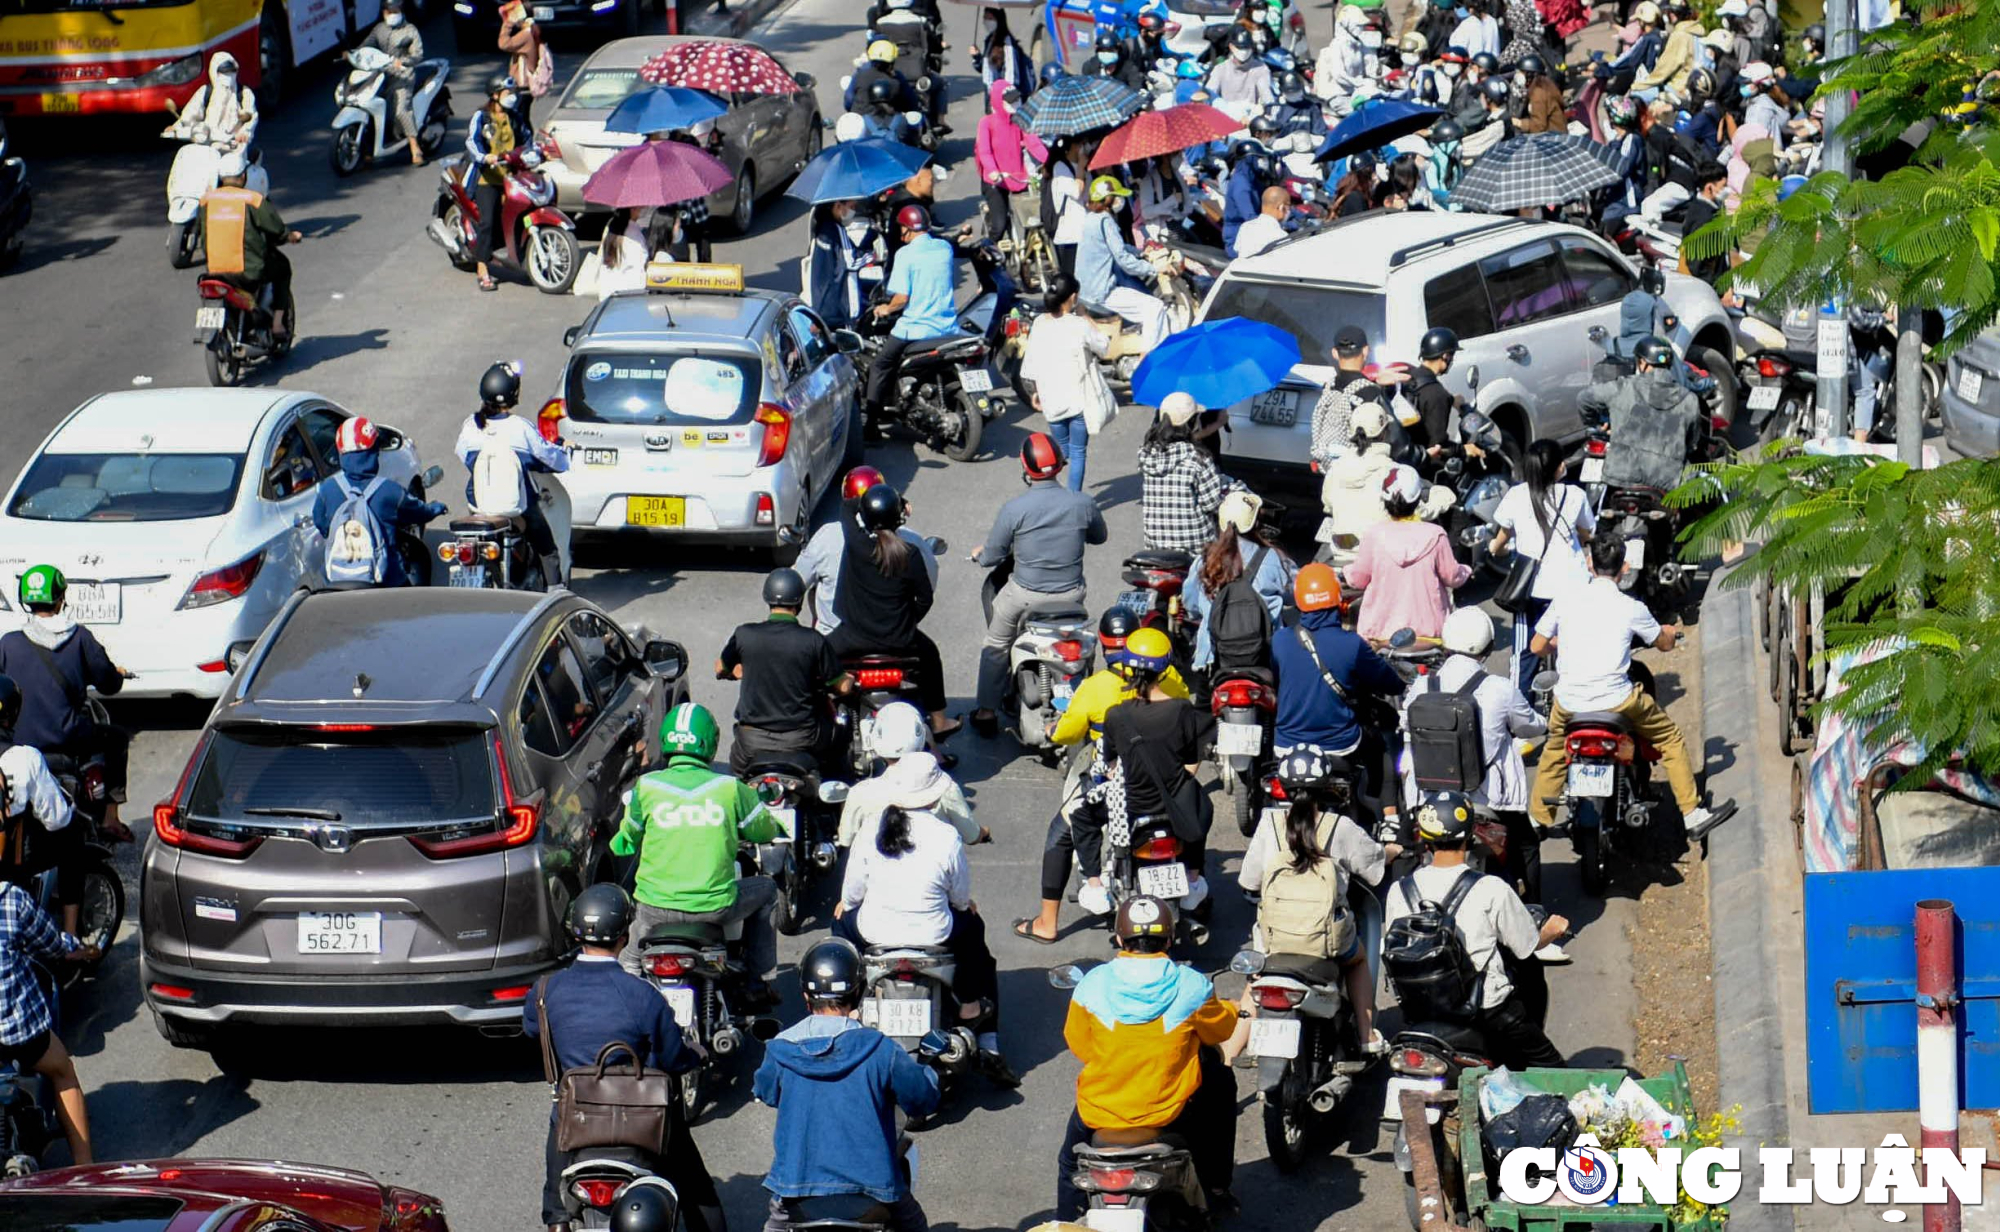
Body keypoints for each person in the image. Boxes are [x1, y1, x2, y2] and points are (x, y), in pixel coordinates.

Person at [526, 885, 718, 1232]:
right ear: (625, 935)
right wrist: (697, 1055)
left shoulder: (545, 990)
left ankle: (557, 1220)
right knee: (697, 1188)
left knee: (557, 1145)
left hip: (576, 1114)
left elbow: (532, 1029)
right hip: (641, 1118)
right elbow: (673, 1057)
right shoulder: (642, 995)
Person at [1054, 896, 1252, 1219]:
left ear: (1119, 939)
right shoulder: (1192, 987)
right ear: (1170, 939)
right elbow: (1220, 1031)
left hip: (1100, 1112)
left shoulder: (1090, 986)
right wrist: (1229, 1008)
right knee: (1219, 1084)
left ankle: (1066, 1222)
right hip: (1167, 1113)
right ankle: (1216, 1189)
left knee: (1068, 1164)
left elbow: (1080, 1044)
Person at [1527, 538, 1736, 840]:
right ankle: (1692, 814)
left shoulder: (1566, 600)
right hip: (1619, 702)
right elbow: (1662, 644)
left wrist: (1565, 641)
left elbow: (1537, 646)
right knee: (1670, 739)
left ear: (1590, 564)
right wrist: (1668, 634)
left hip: (1570, 703)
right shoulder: (1632, 607)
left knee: (1555, 750)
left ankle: (1537, 821)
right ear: (1624, 569)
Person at [1018, 623, 1192, 942]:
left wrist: (1052, 733)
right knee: (1196, 816)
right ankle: (1194, 883)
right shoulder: (1177, 695)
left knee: (1065, 827)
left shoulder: (1105, 697)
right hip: (1168, 782)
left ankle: (1053, 917)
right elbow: (1191, 753)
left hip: (1123, 785)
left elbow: (1075, 736)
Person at [754, 939, 942, 1232]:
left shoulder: (780, 1048)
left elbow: (766, 1092)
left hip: (795, 1186)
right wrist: (930, 1072)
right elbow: (922, 1099)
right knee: (914, 1224)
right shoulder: (880, 1048)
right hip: (874, 1186)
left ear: (806, 996)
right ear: (858, 992)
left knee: (774, 1227)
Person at [611, 703, 784, 1008]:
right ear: (710, 742)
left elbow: (624, 844)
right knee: (768, 890)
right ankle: (759, 980)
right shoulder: (730, 788)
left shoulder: (646, 787)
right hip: (714, 909)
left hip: (654, 910)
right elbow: (765, 831)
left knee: (629, 963)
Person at [837, 792, 1016, 1085]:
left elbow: (851, 894)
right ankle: (979, 1022)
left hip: (875, 933)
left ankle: (849, 1004)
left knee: (840, 932)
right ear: (933, 800)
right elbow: (960, 899)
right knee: (976, 938)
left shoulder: (870, 828)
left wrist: (847, 906)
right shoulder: (945, 835)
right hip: (934, 935)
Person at [1384, 793, 1568, 1070]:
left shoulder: (1399, 890)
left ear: (1424, 836)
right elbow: (1525, 946)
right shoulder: (1490, 888)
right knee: (1549, 1066)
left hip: (1421, 1009)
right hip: (1486, 1008)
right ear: (1471, 834)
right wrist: (1552, 931)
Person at [1241, 747, 1398, 1047]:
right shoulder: (1341, 827)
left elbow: (1248, 881)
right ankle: (1366, 1034)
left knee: (1254, 981)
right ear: (1328, 786)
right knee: (1358, 961)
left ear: (1282, 787)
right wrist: (1393, 851)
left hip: (1272, 940)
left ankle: (1229, 1053)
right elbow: (1374, 864)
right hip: (1327, 941)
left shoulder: (1269, 825)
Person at [1420, 610, 1552, 925]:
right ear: (1488, 647)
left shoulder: (1423, 685)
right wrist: (1542, 719)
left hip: (1430, 798)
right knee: (1527, 845)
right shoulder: (1499, 688)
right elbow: (1530, 726)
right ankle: (1533, 918)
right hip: (1491, 801)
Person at [970, 434, 1108, 735]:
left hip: (1023, 596)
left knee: (995, 646)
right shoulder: (1082, 503)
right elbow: (1099, 536)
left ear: (1025, 466)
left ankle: (985, 711)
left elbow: (993, 554)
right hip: (1071, 597)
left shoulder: (1015, 508)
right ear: (1060, 464)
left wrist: (980, 555)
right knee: (1083, 643)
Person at [0, 567, 131, 866]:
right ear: (61, 599)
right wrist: (118, 674)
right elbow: (109, 684)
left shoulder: (8, 643)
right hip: (69, 740)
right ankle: (110, 818)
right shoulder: (80, 638)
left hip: (18, 743)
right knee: (117, 739)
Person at [1271, 564, 1407, 816]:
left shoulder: (1280, 640)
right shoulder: (1352, 645)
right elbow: (1391, 683)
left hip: (1287, 745)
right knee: (1384, 741)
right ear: (1339, 601)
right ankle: (1390, 819)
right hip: (1340, 744)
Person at [831, 482, 958, 738]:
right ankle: (939, 720)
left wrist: (891, 500)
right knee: (930, 656)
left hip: (851, 639)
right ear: (898, 519)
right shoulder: (909, 554)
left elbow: (847, 505)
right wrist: (906, 623)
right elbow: (924, 599)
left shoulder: (857, 546)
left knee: (815, 659)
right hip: (901, 642)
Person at [718, 569, 852, 776]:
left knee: (738, 778)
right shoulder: (813, 640)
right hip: (801, 740)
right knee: (837, 743)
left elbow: (720, 668)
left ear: (767, 599)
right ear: (798, 603)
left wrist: (736, 671)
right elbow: (841, 686)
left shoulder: (744, 634)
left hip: (751, 741)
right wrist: (850, 680)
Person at [0, 881, 98, 1166]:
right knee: (63, 1072)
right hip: (15, 1031)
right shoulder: (10, 899)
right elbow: (52, 945)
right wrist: (74, 946)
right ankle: (85, 1166)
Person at [1489, 439, 1595, 694]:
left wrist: (1496, 548)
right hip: (1572, 588)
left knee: (1524, 652)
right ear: (1559, 468)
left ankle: (1518, 714)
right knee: (1576, 646)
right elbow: (1588, 531)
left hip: (1532, 591)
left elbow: (1501, 540)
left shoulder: (1516, 495)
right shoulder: (1574, 495)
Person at [455, 361, 570, 587]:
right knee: (548, 551)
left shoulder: (470, 426)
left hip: (479, 506)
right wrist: (565, 449)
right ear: (514, 394)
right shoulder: (521, 428)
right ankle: (557, 595)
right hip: (519, 506)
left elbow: (463, 456)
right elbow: (551, 460)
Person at [797, 467, 939, 635]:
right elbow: (927, 590)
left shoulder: (831, 537)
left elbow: (798, 579)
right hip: (892, 637)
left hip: (839, 636)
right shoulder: (912, 544)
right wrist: (905, 624)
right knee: (930, 657)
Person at [310, 416, 447, 587]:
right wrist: (435, 508)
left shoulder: (328, 489)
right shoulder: (389, 491)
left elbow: (320, 522)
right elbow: (419, 513)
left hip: (336, 581)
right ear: (373, 452)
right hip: (385, 583)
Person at [1346, 464, 1472, 643]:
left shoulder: (1373, 534)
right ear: (1418, 498)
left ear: (1384, 500)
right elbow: (1452, 577)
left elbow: (1357, 579)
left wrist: (1346, 570)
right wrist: (1465, 570)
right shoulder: (1435, 534)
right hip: (1429, 634)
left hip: (1379, 633)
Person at [863, 205, 959, 436]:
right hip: (948, 327)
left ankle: (872, 427)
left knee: (880, 365)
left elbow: (901, 298)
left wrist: (886, 309)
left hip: (916, 329)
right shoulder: (944, 248)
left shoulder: (905, 255)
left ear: (906, 229)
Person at [838, 704, 983, 848]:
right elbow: (971, 835)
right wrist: (985, 833)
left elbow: (846, 839)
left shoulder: (860, 793)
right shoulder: (944, 786)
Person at [1185, 490, 1294, 675]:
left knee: (1203, 704)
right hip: (1264, 655)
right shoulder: (1273, 558)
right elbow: (1292, 594)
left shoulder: (1204, 561)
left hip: (1213, 656)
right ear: (1256, 523)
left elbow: (1191, 604)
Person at [1019, 276, 1111, 491]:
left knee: (1061, 452)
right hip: (1078, 401)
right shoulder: (1079, 325)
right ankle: (1073, 498)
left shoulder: (1040, 323)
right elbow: (1104, 347)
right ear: (1073, 297)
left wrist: (1035, 392)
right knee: (1078, 452)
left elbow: (1031, 361)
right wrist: (1086, 316)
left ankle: (1049, 491)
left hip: (1052, 401)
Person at [200, 150, 300, 338]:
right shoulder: (252, 200)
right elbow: (276, 229)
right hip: (247, 272)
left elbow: (200, 231)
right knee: (283, 268)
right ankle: (278, 325)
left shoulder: (206, 200)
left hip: (213, 270)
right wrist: (290, 236)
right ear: (243, 176)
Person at [1584, 335, 1699, 494]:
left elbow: (1584, 399)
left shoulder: (1622, 387)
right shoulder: (1689, 399)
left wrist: (1597, 423)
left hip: (1619, 476)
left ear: (1642, 363)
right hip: (1668, 483)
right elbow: (1692, 442)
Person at [1076, 175, 1169, 352]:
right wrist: (1154, 268)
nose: (1120, 201)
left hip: (1086, 291)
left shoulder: (1090, 218)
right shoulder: (1105, 220)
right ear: (1108, 199)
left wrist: (1140, 252)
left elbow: (1116, 246)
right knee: (1155, 308)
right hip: (1101, 292)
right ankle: (1150, 359)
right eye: (1117, 197)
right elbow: (1124, 262)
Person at [1140, 394, 1239, 554]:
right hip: (1195, 547)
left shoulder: (1148, 455)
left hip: (1154, 544)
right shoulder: (1198, 458)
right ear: (1192, 422)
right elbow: (1212, 504)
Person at [466, 75, 526, 292]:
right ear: (495, 95)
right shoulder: (481, 117)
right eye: (507, 93)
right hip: (487, 178)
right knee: (488, 222)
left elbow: (526, 139)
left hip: (512, 176)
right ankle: (482, 269)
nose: (512, 97)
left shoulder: (515, 117)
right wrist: (485, 157)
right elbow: (472, 142)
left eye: (513, 93)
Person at [975, 83, 1047, 242]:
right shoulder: (986, 123)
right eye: (1010, 101)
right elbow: (984, 152)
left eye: (1017, 99)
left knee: (1033, 218)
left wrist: (1049, 161)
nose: (1015, 104)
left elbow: (1033, 143)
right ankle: (989, 249)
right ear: (998, 102)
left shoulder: (1020, 120)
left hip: (1018, 177)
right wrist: (993, 171)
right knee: (999, 225)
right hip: (996, 179)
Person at [362, 0, 426, 166]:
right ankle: (368, 147)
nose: (392, 14)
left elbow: (418, 55)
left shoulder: (409, 30)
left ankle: (415, 147)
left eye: (395, 10)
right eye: (389, 11)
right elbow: (367, 46)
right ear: (384, 12)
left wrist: (403, 61)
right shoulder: (379, 30)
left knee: (400, 111)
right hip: (379, 75)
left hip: (402, 77)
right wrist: (352, 53)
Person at [804, 198, 882, 329]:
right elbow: (851, 261)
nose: (854, 211)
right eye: (852, 207)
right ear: (838, 206)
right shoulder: (836, 230)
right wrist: (870, 255)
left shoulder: (823, 230)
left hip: (823, 305)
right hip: (839, 307)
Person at [173, 51, 258, 150]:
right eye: (223, 72)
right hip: (206, 144)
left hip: (235, 146)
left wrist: (244, 132)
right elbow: (189, 114)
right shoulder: (205, 92)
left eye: (231, 72)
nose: (228, 76)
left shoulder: (244, 93)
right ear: (214, 72)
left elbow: (252, 116)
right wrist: (176, 127)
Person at [1680, 160, 1731, 285]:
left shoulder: (1712, 209)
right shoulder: (1703, 218)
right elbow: (1696, 265)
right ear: (1709, 187)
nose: (1726, 190)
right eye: (1723, 186)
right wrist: (1721, 290)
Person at [968, 7, 1033, 100]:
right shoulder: (989, 40)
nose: (986, 22)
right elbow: (986, 68)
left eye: (990, 18)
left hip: (1004, 100)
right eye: (985, 18)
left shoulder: (1008, 44)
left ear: (998, 20)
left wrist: (1006, 101)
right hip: (992, 98)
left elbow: (1012, 76)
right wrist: (977, 56)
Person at [845, 39, 921, 116]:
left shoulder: (859, 75)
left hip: (861, 121)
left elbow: (849, 100)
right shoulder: (896, 79)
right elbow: (911, 103)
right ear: (892, 61)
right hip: (890, 123)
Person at [1207, 27, 1275, 109]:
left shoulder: (1260, 69)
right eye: (1240, 47)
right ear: (1231, 47)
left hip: (1251, 118)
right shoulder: (1220, 69)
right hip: (1225, 117)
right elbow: (1209, 94)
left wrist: (1263, 111)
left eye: (1247, 48)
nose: (1244, 51)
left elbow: (1267, 97)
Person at [497, 0, 551, 101]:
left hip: (523, 82)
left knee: (520, 113)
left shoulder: (526, 34)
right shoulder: (534, 29)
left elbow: (503, 44)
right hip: (529, 81)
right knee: (524, 112)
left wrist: (507, 24)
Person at [1231, 184, 1292, 260]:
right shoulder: (1281, 236)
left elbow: (1237, 249)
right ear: (1281, 207)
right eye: (1288, 207)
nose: (1289, 211)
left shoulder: (1246, 226)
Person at [1513, 54, 1564, 133]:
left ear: (1530, 74)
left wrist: (1519, 123)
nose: (1518, 75)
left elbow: (1539, 126)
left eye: (1521, 72)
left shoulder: (1538, 94)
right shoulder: (1544, 84)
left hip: (1551, 137)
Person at [1084, 27, 1147, 92]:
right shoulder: (1090, 67)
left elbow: (1136, 88)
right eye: (1102, 50)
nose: (1106, 53)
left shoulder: (1129, 68)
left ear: (1118, 50)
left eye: (1110, 50)